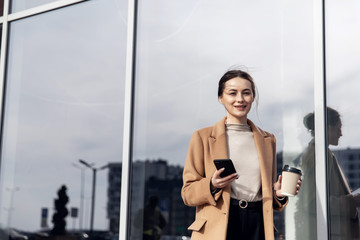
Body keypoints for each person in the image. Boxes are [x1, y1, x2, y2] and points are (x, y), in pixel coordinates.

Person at [181, 69, 301, 240]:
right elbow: (187, 193)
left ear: (253, 97)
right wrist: (212, 184)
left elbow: (265, 192)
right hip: (220, 225)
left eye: (246, 93)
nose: (240, 99)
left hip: (257, 223)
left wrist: (278, 194)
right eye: (232, 93)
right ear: (220, 98)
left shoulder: (268, 140)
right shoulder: (202, 137)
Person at [295, 107, 360, 240]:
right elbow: (312, 203)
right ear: (327, 127)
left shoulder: (321, 153)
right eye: (338, 128)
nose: (341, 133)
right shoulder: (317, 155)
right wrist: (353, 200)